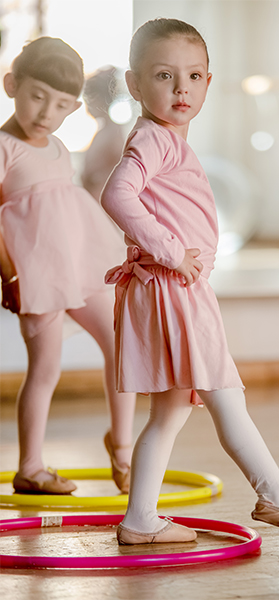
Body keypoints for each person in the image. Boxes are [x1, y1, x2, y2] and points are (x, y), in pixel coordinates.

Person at [101, 18, 279, 550]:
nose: (182, 88)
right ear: (135, 85)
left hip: (166, 289)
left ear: (208, 82)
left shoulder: (162, 138)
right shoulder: (157, 140)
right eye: (164, 75)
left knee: (170, 410)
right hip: (173, 289)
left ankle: (140, 521)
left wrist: (171, 253)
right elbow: (117, 196)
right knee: (227, 400)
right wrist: (170, 250)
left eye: (195, 75)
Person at [0, 37, 136, 495]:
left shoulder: (58, 146)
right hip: (38, 275)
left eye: (59, 104)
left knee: (122, 345)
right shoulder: (4, 147)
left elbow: (63, 210)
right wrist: (11, 275)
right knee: (46, 369)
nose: (44, 113)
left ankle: (122, 446)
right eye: (36, 96)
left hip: (80, 264)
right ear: (11, 84)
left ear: (73, 109)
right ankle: (31, 467)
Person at [81, 67, 126, 202]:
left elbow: (119, 170)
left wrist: (95, 178)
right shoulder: (103, 132)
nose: (88, 107)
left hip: (102, 200)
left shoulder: (114, 132)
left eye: (91, 100)